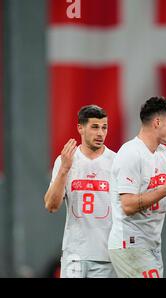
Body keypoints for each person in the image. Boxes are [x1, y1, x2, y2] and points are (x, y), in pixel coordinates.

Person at [108, 96, 166, 278]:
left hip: (150, 244)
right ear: (158, 122)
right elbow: (127, 206)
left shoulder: (165, 155)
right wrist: (165, 189)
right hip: (130, 243)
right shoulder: (130, 154)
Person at [44, 105, 117, 278]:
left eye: (104, 127)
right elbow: (51, 205)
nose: (100, 133)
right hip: (74, 256)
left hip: (106, 257)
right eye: (94, 127)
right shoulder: (66, 161)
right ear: (80, 128)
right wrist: (64, 169)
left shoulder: (116, 162)